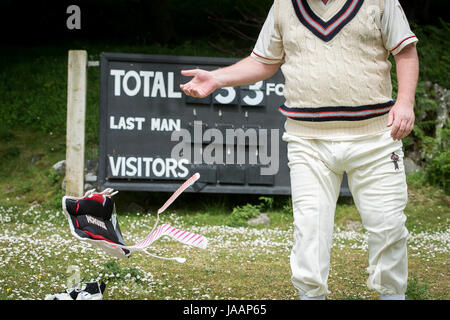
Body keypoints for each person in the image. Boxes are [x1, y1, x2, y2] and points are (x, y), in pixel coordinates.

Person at [180, 0, 419, 300]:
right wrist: (217, 78)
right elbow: (264, 61)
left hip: (374, 137)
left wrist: (405, 102)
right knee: (310, 232)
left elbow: (405, 51)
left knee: (388, 227)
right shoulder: (283, 6)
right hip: (308, 142)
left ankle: (392, 295)